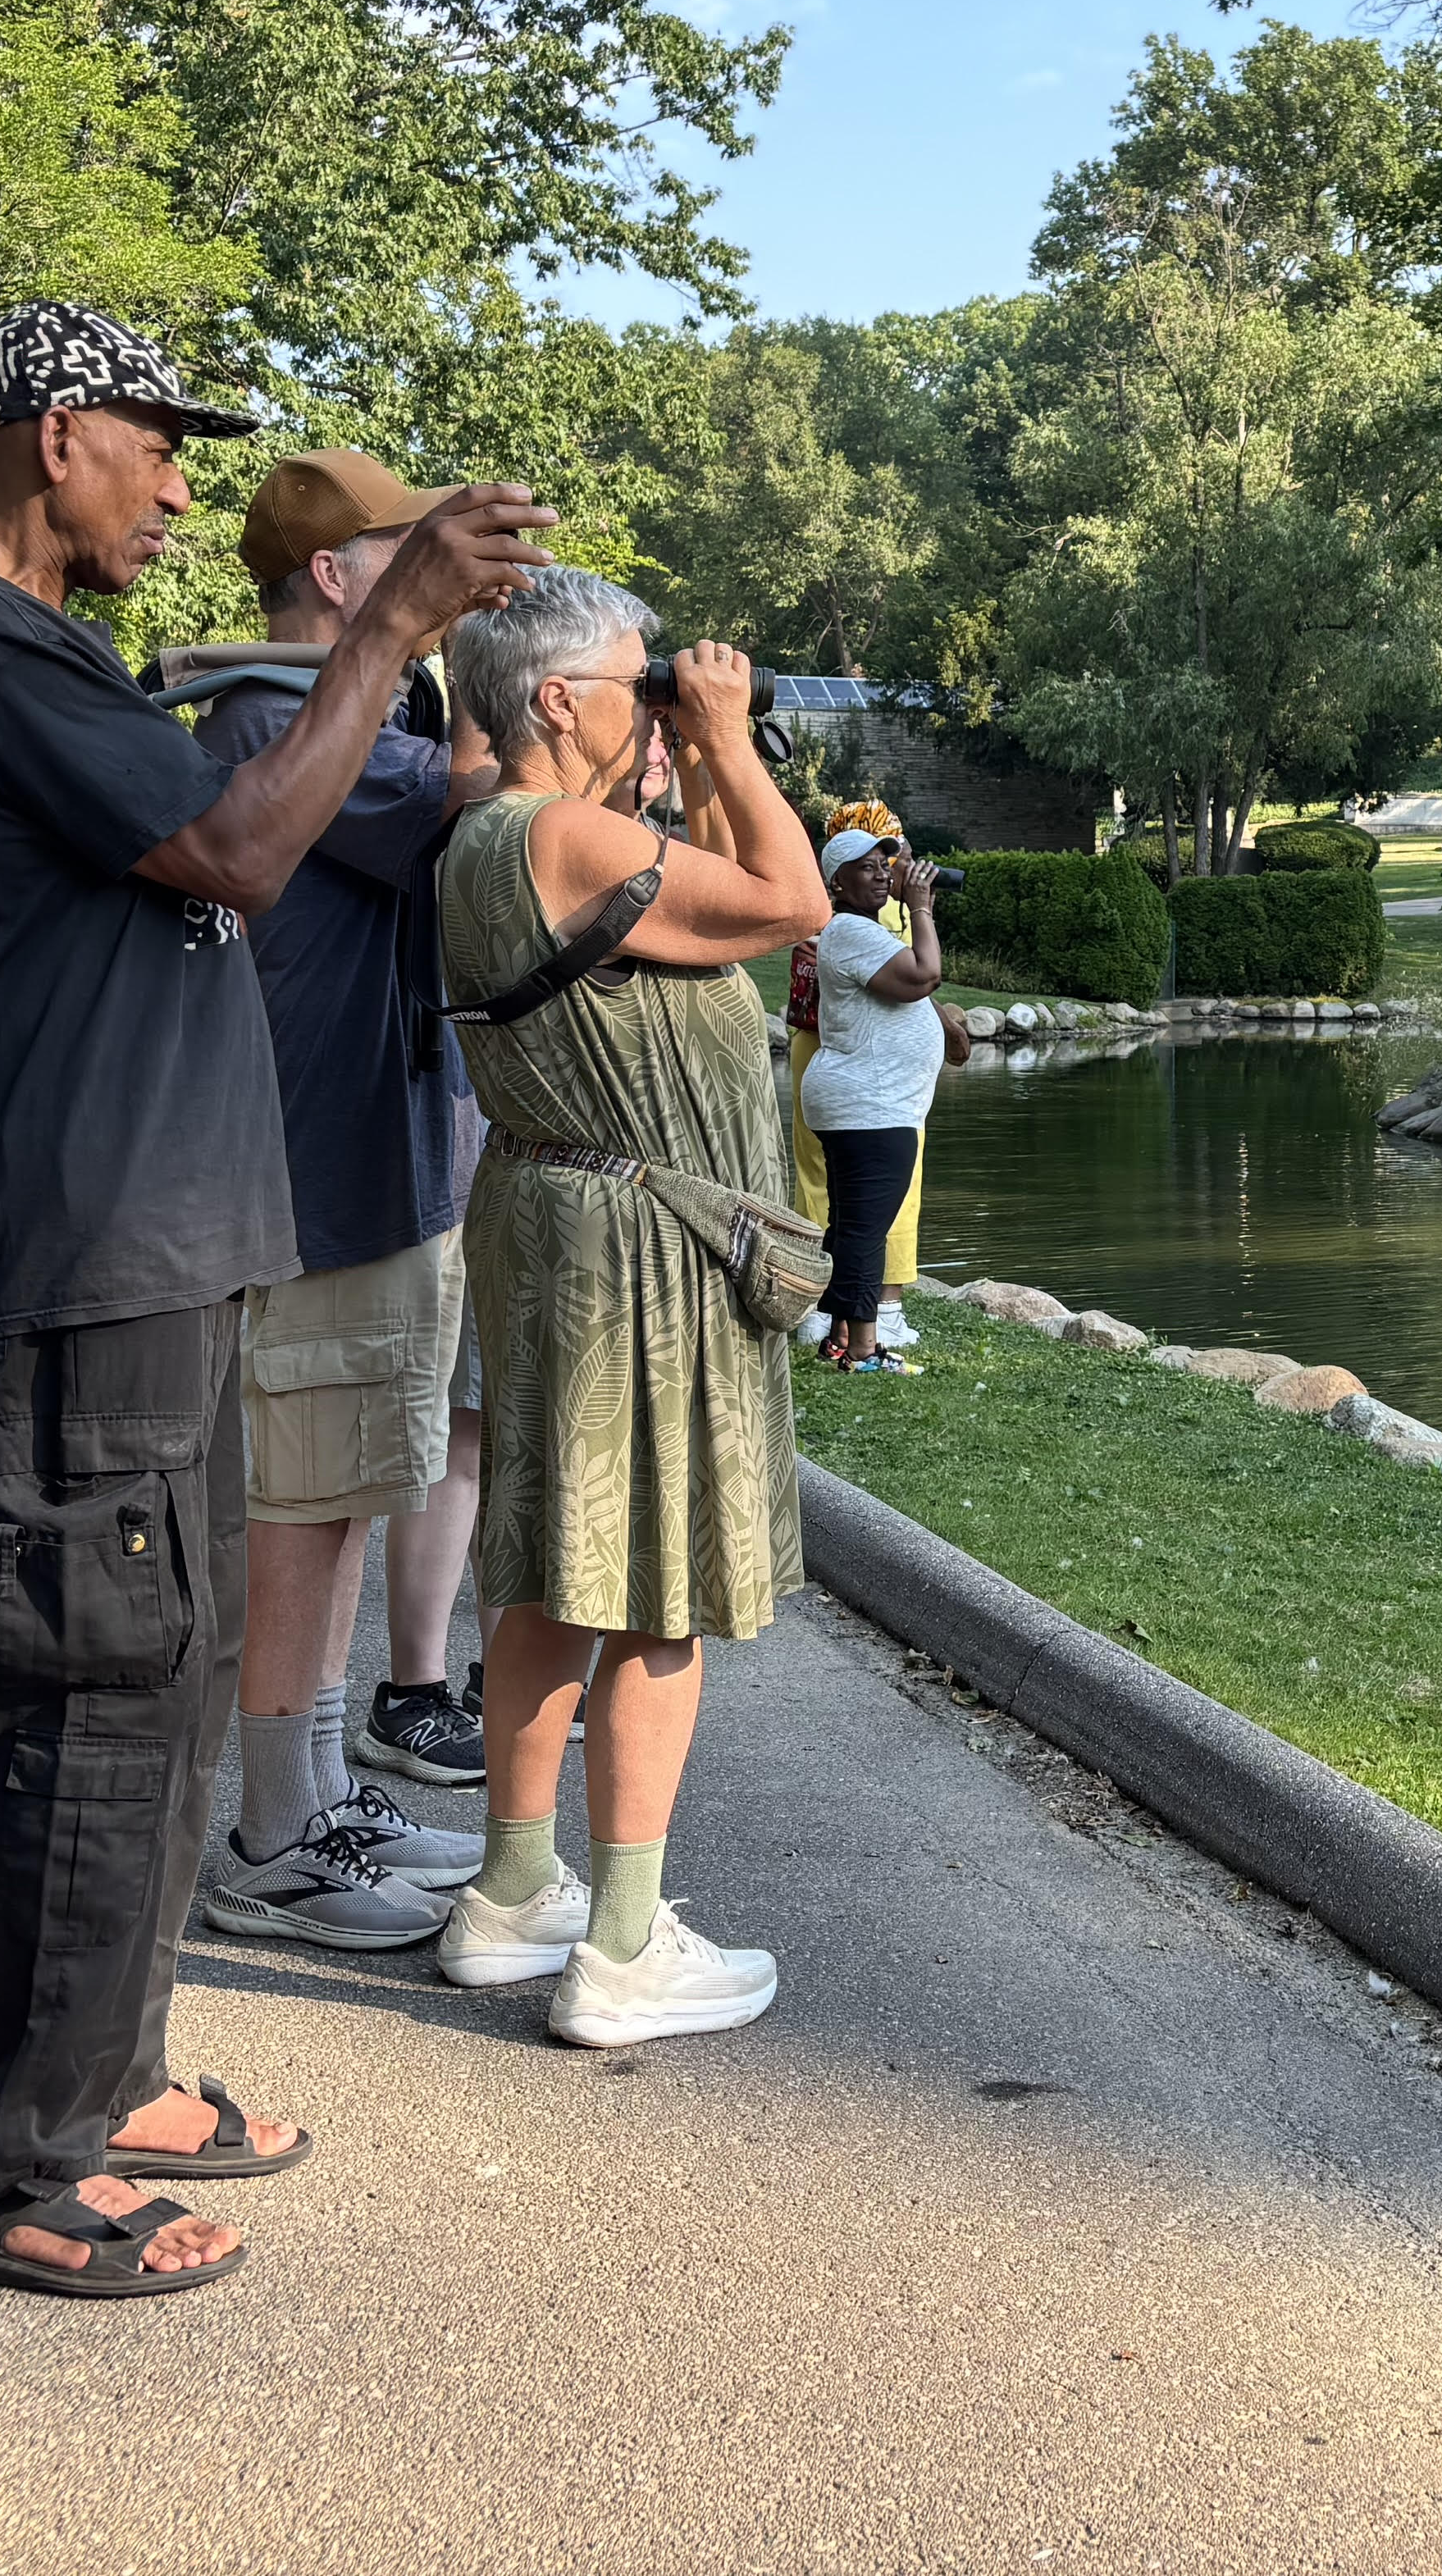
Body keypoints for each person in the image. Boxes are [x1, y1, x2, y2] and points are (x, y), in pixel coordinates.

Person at [0, 304, 547, 2299]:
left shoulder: (53, 649)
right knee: (86, 1690)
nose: (179, 484)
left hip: (166, 1241)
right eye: (155, 444)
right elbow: (239, 852)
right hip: (84, 1242)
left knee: (153, 1683)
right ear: (55, 436)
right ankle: (9, 2170)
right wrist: (390, 632)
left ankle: (114, 2066)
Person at [432, 568, 829, 2042]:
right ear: (556, 699)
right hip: (641, 1252)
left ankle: (513, 1888)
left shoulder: (486, 833)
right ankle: (621, 1945)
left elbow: (711, 921)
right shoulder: (567, 829)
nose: (657, 687)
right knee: (657, 1588)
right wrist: (724, 735)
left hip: (554, 1214)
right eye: (636, 673)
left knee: (544, 1566)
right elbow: (792, 902)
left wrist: (690, 754)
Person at [182, 448, 502, 1949]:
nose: (429, 578)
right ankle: (269, 1836)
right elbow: (474, 806)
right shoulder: (284, 713)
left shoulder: (339, 707)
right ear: (332, 573)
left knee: (352, 1480)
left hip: (382, 1177)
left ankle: (316, 1786)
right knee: (299, 1502)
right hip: (312, 1187)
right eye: (404, 551)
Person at [797, 827, 947, 1370]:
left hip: (867, 1103)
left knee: (852, 1223)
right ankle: (863, 1351)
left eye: (887, 862)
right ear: (837, 882)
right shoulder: (850, 931)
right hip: (870, 1105)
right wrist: (923, 909)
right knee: (866, 1230)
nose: (884, 872)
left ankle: (839, 1333)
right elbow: (924, 974)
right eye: (866, 866)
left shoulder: (855, 932)